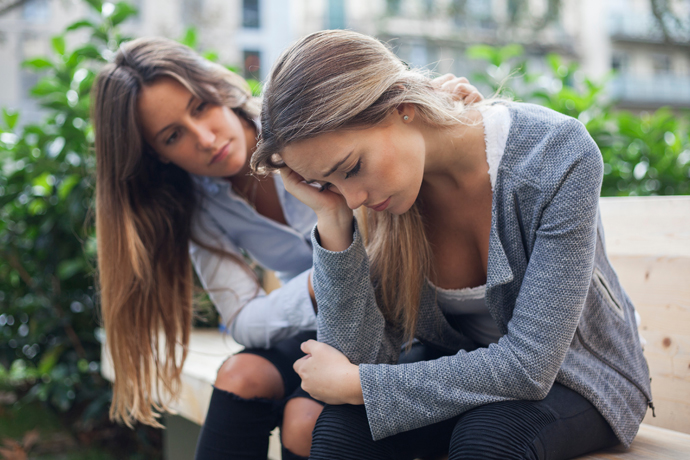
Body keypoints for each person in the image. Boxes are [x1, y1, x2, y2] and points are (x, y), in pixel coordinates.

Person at [251, 30, 653, 460]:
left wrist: (360, 384)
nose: (352, 198)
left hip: (579, 378)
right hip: (461, 372)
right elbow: (357, 359)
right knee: (341, 427)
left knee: (489, 438)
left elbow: (530, 366)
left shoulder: (554, 152)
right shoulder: (376, 200)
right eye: (325, 182)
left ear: (402, 106)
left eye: (350, 168)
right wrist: (332, 222)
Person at [91, 36, 481, 460]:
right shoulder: (199, 207)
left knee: (304, 423)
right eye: (172, 136)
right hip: (323, 321)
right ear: (157, 156)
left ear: (216, 89)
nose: (204, 137)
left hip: (398, 318)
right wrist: (322, 282)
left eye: (200, 106)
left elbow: (399, 130)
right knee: (242, 374)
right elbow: (242, 318)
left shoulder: (305, 131)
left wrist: (441, 112)